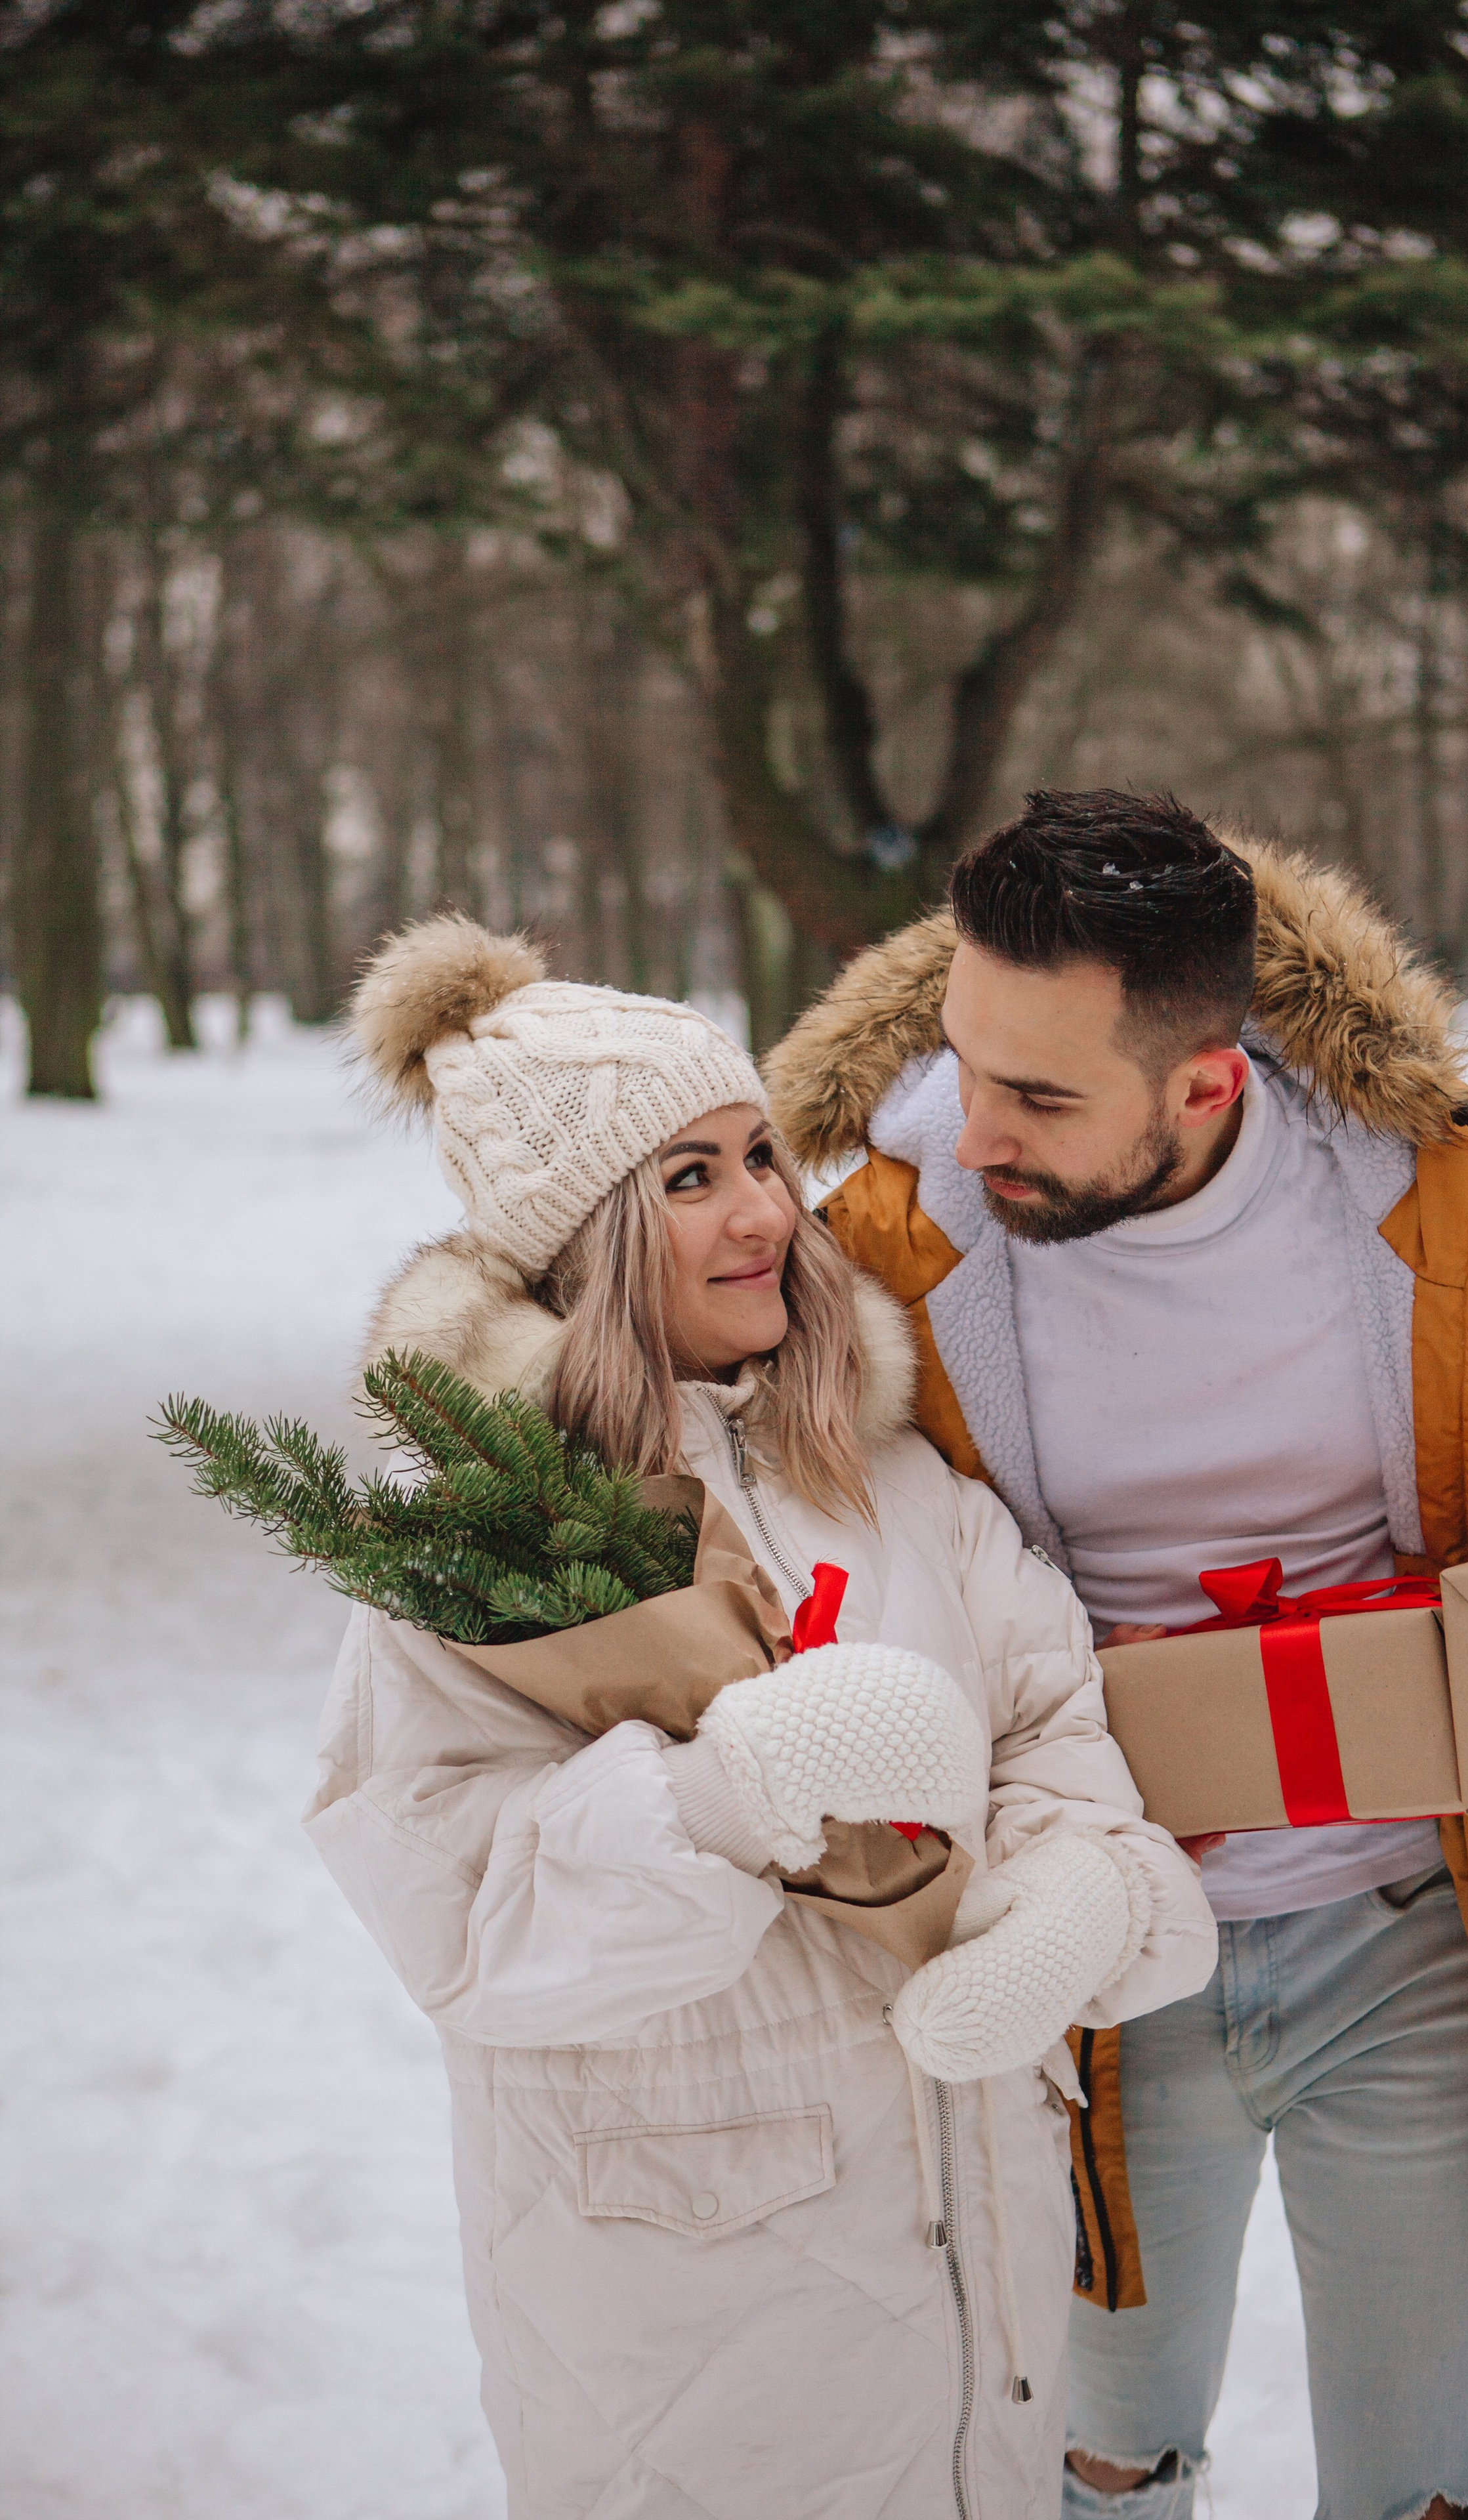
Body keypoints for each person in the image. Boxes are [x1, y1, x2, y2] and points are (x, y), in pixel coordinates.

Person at [766, 789, 1468, 2520]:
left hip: (1421, 1930)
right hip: (1091, 1964)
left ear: (1213, 1077)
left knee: (1434, 2483)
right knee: (1094, 2465)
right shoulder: (891, 1250)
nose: (976, 1128)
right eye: (962, 1063)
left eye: (1040, 1094)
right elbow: (748, 1521)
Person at [305, 913, 1217, 2520]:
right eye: (687, 1180)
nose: (764, 1214)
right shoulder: (473, 1542)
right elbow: (462, 1929)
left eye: (756, 1156)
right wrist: (721, 1799)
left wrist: (1083, 1904)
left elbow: (1056, 1737)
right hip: (686, 2351)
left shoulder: (900, 1483)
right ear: (575, 1243)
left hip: (979, 2333)